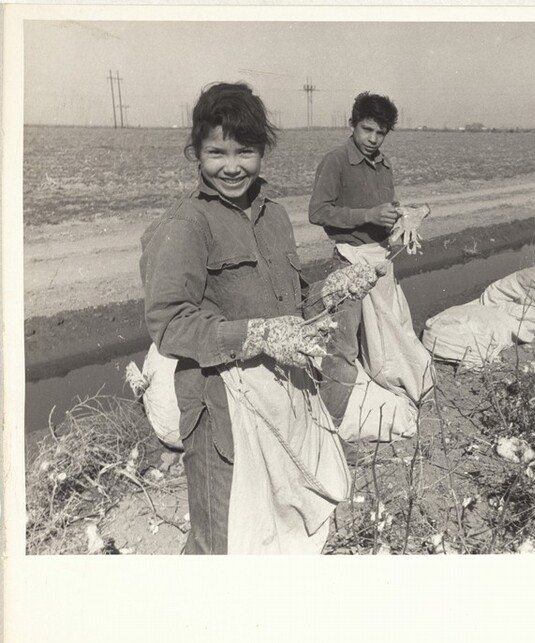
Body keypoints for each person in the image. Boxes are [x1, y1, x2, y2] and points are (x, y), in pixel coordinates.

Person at [139, 82, 342, 554]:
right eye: (217, 152)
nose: (231, 166)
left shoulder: (274, 215)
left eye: (245, 151)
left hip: (282, 395)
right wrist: (258, 334)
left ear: (262, 151)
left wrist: (328, 295)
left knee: (276, 522)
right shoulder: (187, 224)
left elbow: (289, 303)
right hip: (219, 405)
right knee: (222, 535)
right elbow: (168, 324)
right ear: (196, 151)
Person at [308, 92, 432, 435]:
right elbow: (318, 212)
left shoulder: (384, 165)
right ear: (353, 124)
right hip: (349, 261)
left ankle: (355, 407)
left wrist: (404, 215)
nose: (373, 139)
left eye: (380, 133)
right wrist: (369, 215)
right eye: (367, 130)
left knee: (382, 339)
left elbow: (384, 209)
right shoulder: (335, 161)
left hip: (379, 261)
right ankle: (327, 430)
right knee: (344, 348)